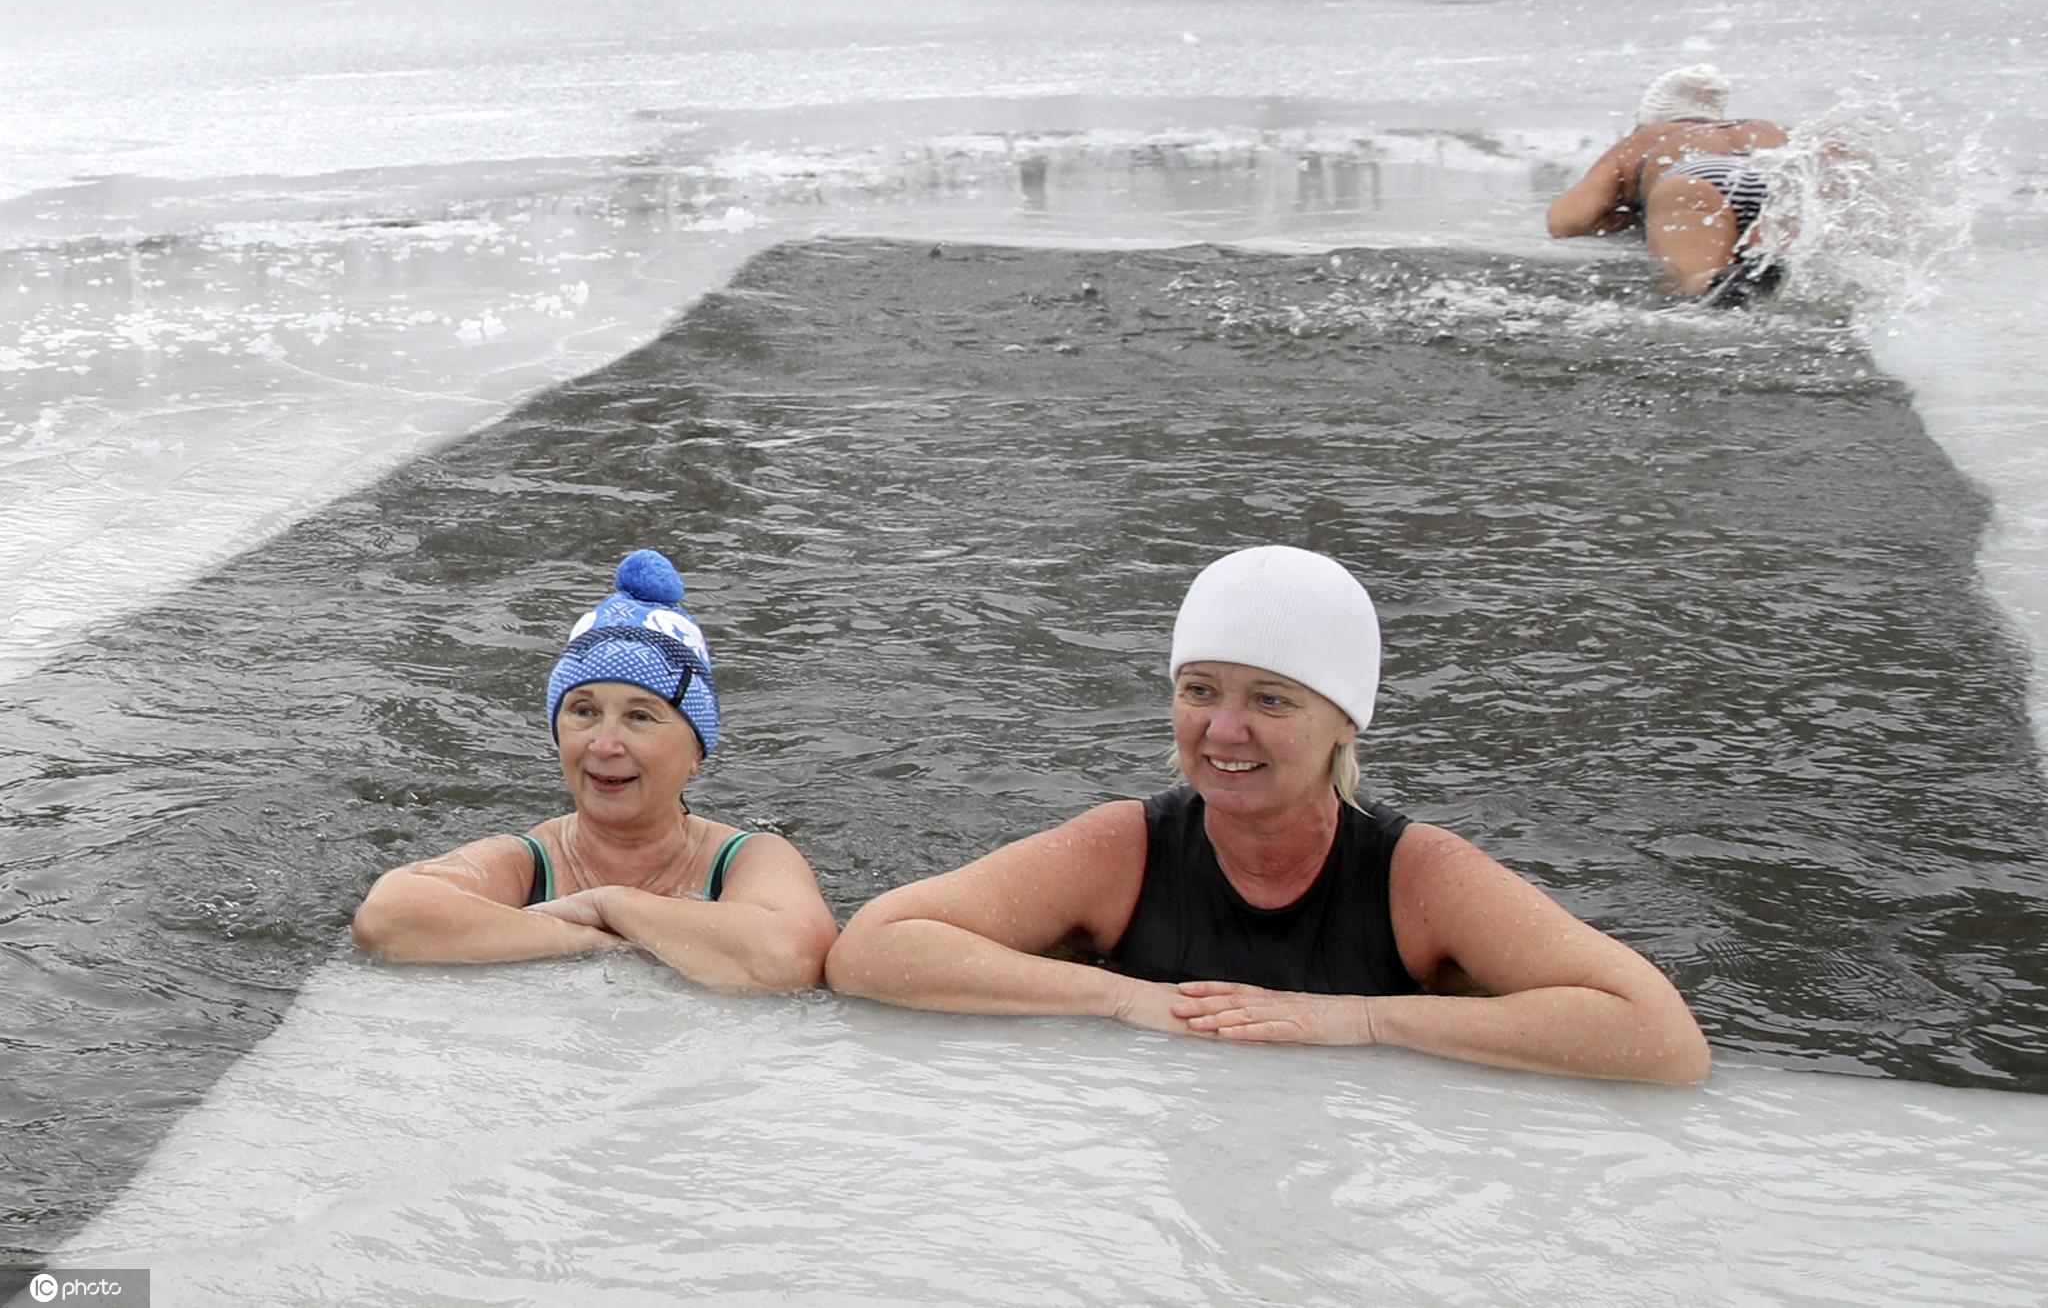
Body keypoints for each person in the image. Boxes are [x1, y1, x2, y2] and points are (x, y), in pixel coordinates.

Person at [826, 546, 1711, 1084]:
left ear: (1343, 723)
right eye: (1199, 690)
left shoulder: (1417, 875)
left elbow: (1659, 1037)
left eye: (1272, 700)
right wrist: (1123, 998)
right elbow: (875, 947)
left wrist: (1360, 1020)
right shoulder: (1126, 847)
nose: (1224, 730)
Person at [352, 549, 837, 992]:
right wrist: (590, 941)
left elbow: (787, 958)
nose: (604, 745)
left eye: (640, 717)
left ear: (696, 751)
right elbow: (389, 918)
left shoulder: (744, 860)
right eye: (583, 712)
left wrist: (608, 905)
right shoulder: (532, 863)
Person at [1548, 64, 1788, 305]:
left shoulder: (1645, 138)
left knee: (1691, 281)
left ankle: (1715, 280)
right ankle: (1766, 262)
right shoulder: (1767, 129)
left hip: (1696, 181)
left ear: (1645, 121)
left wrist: (1635, 216)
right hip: (1774, 179)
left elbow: (1567, 221)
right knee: (1780, 255)